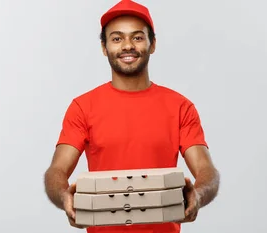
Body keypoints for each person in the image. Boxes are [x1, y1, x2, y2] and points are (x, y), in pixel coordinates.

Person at [44, 1, 220, 232]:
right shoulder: (82, 107)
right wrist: (63, 197)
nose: (127, 45)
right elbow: (56, 171)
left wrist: (198, 194)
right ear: (104, 47)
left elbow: (207, 170)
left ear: (152, 44)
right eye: (117, 39)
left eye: (137, 37)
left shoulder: (180, 107)